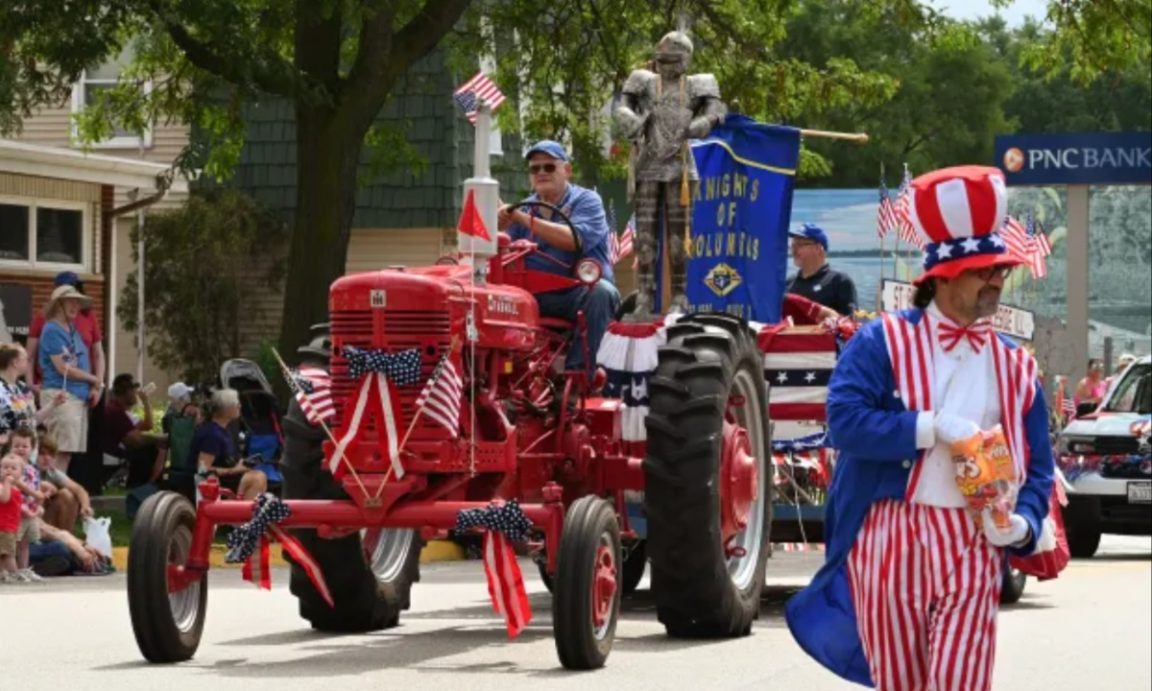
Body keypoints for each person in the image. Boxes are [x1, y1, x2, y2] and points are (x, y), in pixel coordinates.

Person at [786, 166, 1055, 690]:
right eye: (985, 271)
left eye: (1001, 269)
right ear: (945, 275)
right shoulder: (880, 342)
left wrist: (1023, 523)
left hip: (974, 540)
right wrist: (931, 427)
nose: (998, 279)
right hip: (890, 534)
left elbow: (1039, 467)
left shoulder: (1016, 367)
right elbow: (843, 421)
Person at [613, 30, 726, 317]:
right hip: (648, 163)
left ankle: (679, 296)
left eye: (674, 59)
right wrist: (630, 119)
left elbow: (716, 110)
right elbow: (622, 105)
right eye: (663, 58)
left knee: (679, 237)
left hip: (681, 166)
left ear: (686, 59)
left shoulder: (699, 83)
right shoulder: (643, 80)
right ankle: (645, 296)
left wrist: (703, 122)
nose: (668, 64)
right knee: (646, 236)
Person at [498, 140, 621, 370]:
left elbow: (575, 239)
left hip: (573, 292)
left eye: (549, 167)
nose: (541, 173)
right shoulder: (523, 208)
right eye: (535, 168)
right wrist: (495, 226)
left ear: (567, 170)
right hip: (531, 295)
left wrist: (522, 219)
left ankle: (578, 379)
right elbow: (503, 250)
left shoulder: (586, 201)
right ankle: (498, 376)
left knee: (601, 293)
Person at [37, 284, 102, 475]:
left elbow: (81, 360)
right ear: (58, 305)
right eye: (70, 301)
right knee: (58, 452)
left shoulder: (71, 329)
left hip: (76, 397)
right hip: (61, 395)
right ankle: (49, 498)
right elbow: (63, 367)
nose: (76, 306)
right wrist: (94, 379)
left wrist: (93, 386)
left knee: (66, 453)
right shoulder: (51, 330)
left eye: (77, 302)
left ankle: (56, 497)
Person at [27, 271, 105, 392]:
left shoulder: (88, 316)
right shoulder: (44, 318)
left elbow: (98, 354)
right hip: (55, 388)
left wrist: (97, 386)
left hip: (83, 389)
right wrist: (30, 385)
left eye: (75, 287)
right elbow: (30, 356)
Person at [190, 388, 267, 500]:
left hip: (225, 477)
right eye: (236, 403)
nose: (239, 406)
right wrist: (234, 470)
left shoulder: (223, 429)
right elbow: (203, 469)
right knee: (258, 478)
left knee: (258, 475)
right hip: (212, 482)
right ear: (226, 409)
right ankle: (242, 515)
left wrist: (240, 464)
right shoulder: (212, 435)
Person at [102, 373, 167, 489]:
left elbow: (148, 425)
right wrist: (160, 439)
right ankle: (141, 486)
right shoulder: (115, 411)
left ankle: (150, 484)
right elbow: (135, 440)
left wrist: (146, 401)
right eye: (133, 390)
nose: (136, 394)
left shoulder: (118, 410)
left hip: (116, 453)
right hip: (112, 456)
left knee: (152, 446)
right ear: (125, 392)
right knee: (148, 449)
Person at [786, 223, 858, 317]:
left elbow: (850, 323)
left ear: (818, 248)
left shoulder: (839, 282)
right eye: (793, 245)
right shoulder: (788, 283)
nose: (794, 250)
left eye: (800, 245)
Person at [0, 342, 63, 447]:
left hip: (26, 450)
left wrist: (53, 404)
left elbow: (33, 420)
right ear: (15, 363)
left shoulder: (23, 388)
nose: (29, 363)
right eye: (26, 359)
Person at [35, 435, 93, 532]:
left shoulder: (52, 472)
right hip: (27, 518)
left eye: (51, 455)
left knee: (67, 494)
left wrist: (85, 507)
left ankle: (66, 535)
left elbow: (79, 489)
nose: (47, 458)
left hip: (45, 517)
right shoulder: (24, 469)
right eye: (42, 454)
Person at [0, 453, 23, 583]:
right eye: (5, 467)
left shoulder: (16, 488)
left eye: (13, 468)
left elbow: (17, 506)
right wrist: (7, 483)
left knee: (5, 553)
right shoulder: (2, 486)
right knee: (9, 554)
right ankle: (14, 574)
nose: (9, 470)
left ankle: (4, 574)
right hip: (3, 527)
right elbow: (4, 498)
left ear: (20, 473)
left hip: (11, 527)